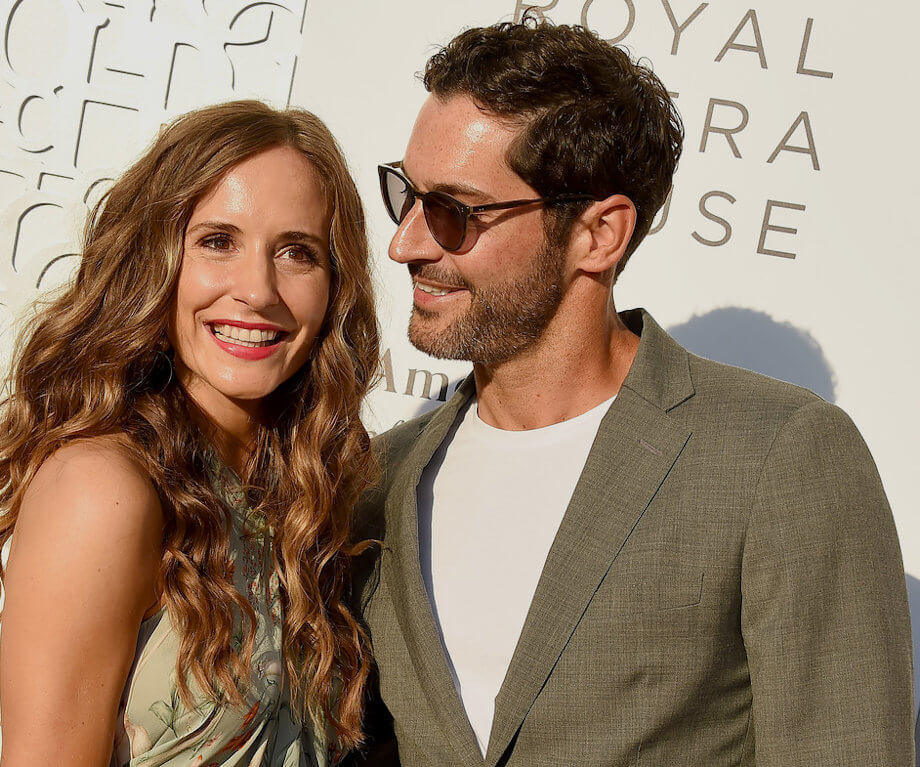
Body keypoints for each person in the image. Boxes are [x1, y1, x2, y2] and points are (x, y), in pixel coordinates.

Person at [352, 20, 915, 767]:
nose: (407, 243)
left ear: (599, 234)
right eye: (407, 195)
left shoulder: (778, 456)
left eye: (456, 211)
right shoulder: (382, 478)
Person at [0, 100, 380, 766]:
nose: (257, 290)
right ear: (157, 261)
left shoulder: (299, 505)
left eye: (297, 252)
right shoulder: (105, 489)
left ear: (334, 289)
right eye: (217, 241)